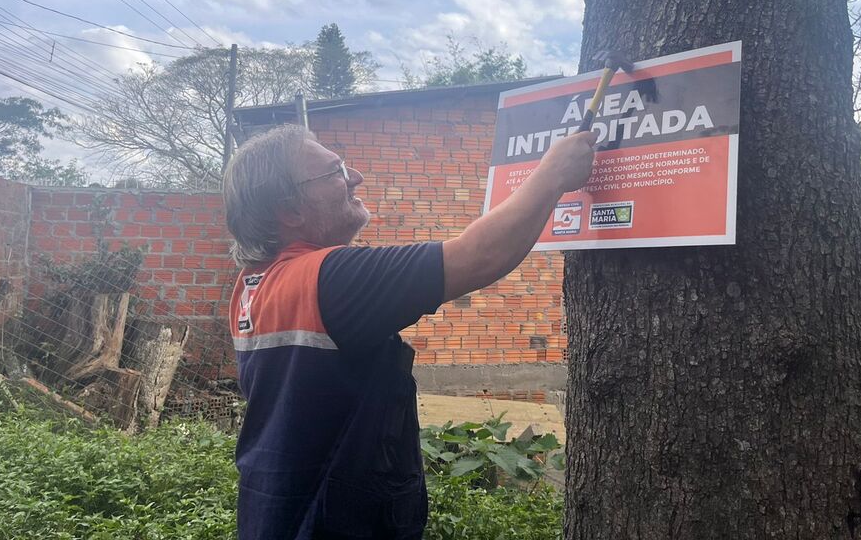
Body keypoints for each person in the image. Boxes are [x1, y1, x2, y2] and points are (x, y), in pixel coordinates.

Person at [222, 123, 595, 540]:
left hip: (275, 512)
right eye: (335, 172)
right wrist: (554, 173)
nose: (355, 177)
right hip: (331, 522)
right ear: (290, 210)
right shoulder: (328, 280)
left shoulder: (251, 286)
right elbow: (479, 256)